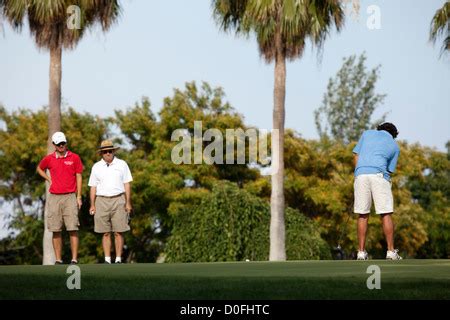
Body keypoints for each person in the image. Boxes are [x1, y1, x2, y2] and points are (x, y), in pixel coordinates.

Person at [353, 122, 402, 260]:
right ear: (393, 135)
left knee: (362, 214)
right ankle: (391, 252)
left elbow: (356, 155)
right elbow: (389, 170)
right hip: (379, 176)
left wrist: (358, 174)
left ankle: (361, 253)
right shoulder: (394, 146)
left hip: (361, 175)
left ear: (379, 129)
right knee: (385, 214)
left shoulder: (367, 133)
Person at [37, 132, 83, 265]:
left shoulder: (74, 157)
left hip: (70, 197)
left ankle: (74, 259)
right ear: (54, 145)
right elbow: (39, 168)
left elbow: (79, 176)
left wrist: (79, 196)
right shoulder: (49, 158)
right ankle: (58, 259)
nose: (61, 146)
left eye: (63, 143)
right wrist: (48, 179)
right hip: (54, 197)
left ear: (66, 143)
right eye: (59, 144)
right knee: (56, 229)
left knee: (73, 228)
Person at [88, 140, 133, 264]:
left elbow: (127, 184)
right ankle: (107, 259)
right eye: (105, 151)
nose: (108, 153)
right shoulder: (96, 167)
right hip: (101, 200)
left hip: (119, 199)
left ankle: (118, 259)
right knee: (105, 232)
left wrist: (128, 202)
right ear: (101, 153)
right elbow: (93, 187)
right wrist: (92, 204)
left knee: (119, 232)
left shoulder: (122, 164)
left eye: (110, 151)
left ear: (113, 151)